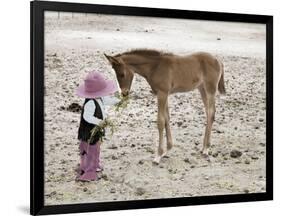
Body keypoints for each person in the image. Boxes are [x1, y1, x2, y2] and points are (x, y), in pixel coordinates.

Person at [76, 71, 117, 181]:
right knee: (90, 149)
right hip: (89, 131)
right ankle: (89, 171)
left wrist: (119, 101)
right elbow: (87, 116)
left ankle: (94, 165)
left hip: (96, 130)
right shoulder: (90, 103)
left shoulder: (100, 98)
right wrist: (99, 122)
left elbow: (108, 100)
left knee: (95, 148)